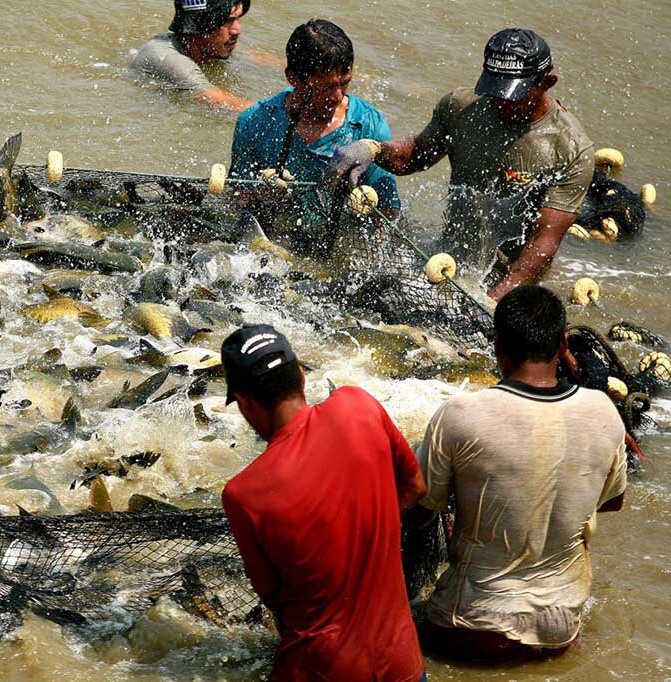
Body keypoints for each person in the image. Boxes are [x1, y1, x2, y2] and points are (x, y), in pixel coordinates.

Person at [409, 285, 627, 661]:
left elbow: (419, 513)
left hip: (469, 628)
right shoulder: (604, 412)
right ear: (562, 345)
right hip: (559, 632)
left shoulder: (461, 414)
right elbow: (613, 500)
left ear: (497, 346)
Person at [220, 324, 427, 681]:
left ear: (245, 403)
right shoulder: (358, 406)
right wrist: (368, 531)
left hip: (320, 669)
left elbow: (276, 599)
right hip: (402, 663)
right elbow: (415, 487)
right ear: (301, 376)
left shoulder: (243, 494)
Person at [325, 29, 594, 300]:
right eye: (495, 90)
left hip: (509, 279)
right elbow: (416, 155)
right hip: (448, 260)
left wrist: (491, 303)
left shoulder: (570, 150)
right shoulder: (460, 107)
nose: (500, 102)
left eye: (513, 95)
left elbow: (542, 245)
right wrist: (374, 148)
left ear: (547, 82)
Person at [229, 19, 401, 249]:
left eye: (344, 84)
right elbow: (236, 200)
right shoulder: (255, 122)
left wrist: (366, 210)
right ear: (293, 77)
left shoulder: (369, 127)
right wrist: (260, 194)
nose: (337, 96)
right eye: (325, 87)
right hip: (274, 245)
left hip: (338, 248)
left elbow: (389, 214)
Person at [130, 0, 254, 112]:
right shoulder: (168, 58)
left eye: (238, 19)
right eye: (227, 21)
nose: (237, 30)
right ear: (200, 24)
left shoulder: (208, 48)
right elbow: (222, 102)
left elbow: (254, 57)